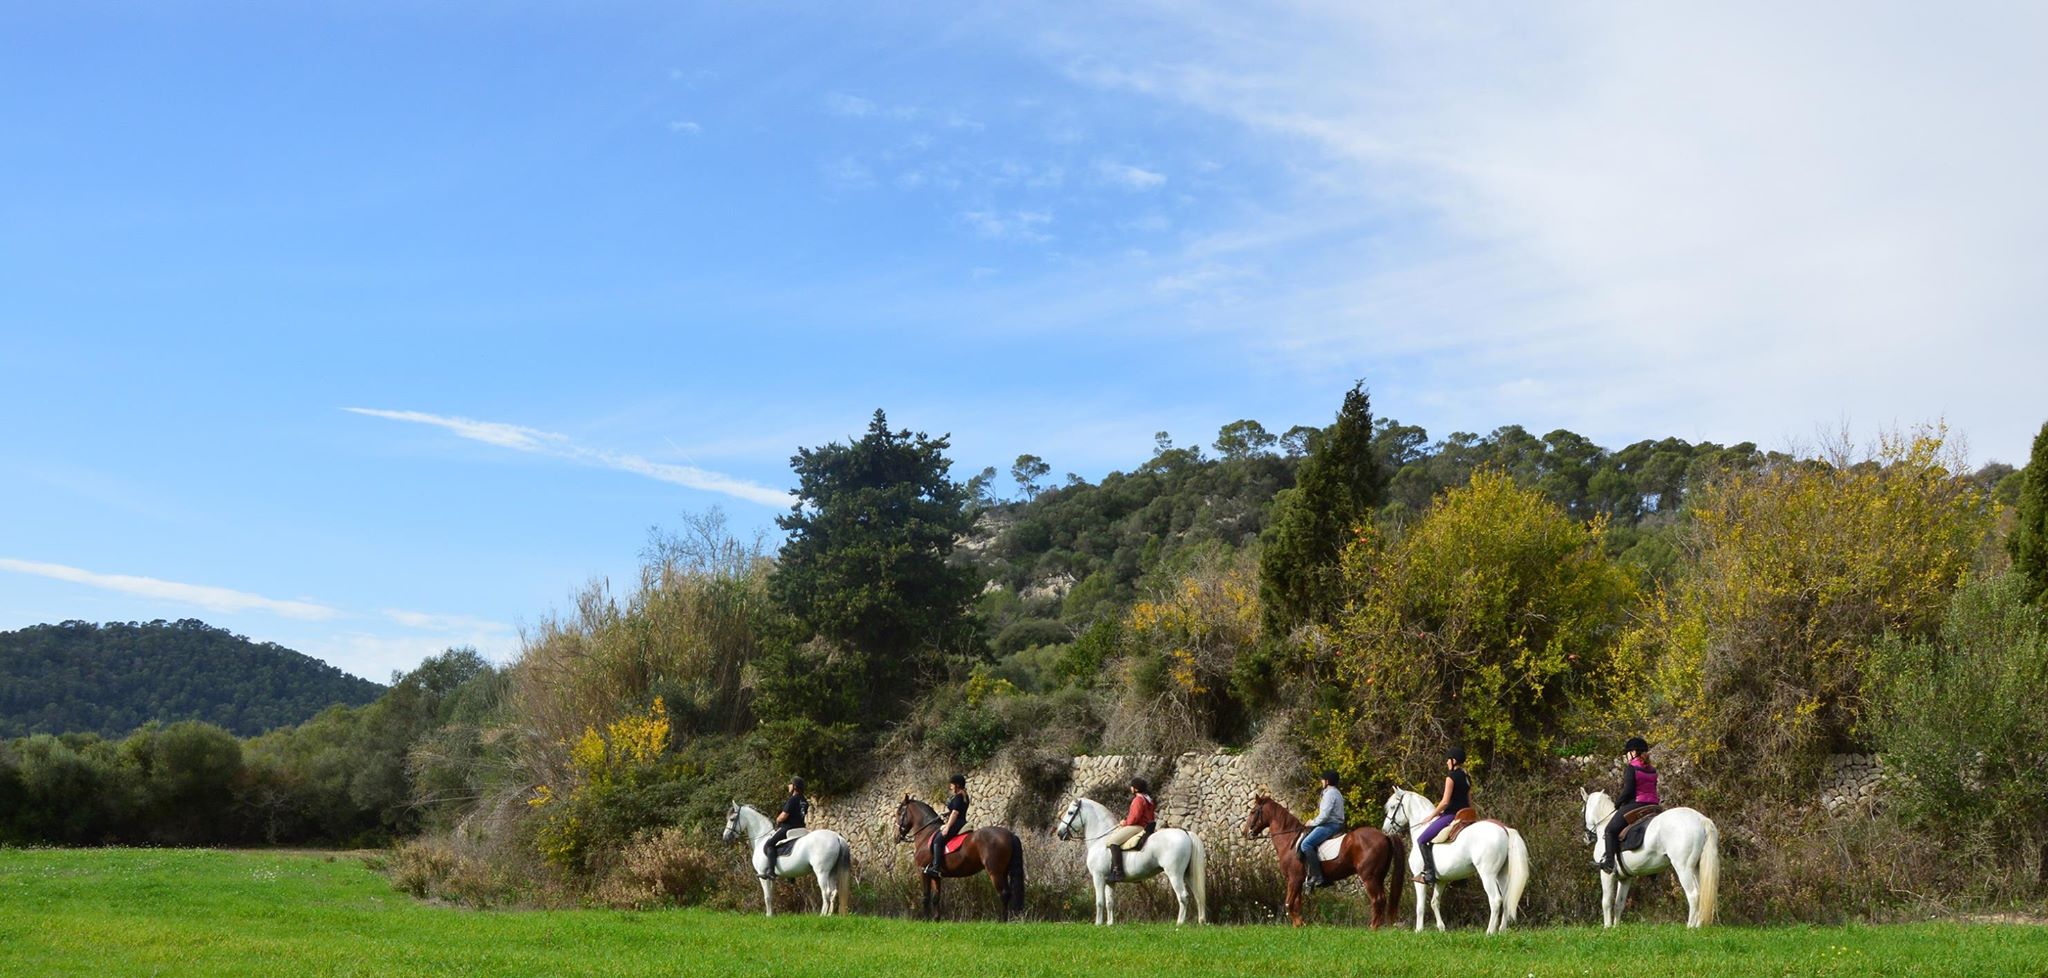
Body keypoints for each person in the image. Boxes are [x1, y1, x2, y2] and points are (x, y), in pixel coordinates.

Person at [1598, 737, 1660, 874]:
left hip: (1637, 803)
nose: (1626, 755)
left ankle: (1609, 863)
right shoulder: (1652, 769)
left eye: (1627, 752)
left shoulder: (1632, 767)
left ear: (1633, 752)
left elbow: (1628, 791)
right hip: (1654, 805)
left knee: (1609, 830)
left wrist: (1618, 802)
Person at [1414, 747, 1471, 885]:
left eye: (1448, 760)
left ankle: (1429, 874)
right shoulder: (1467, 777)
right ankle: (1461, 878)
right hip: (1465, 815)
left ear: (1454, 761)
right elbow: (1469, 800)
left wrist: (1431, 816)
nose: (1446, 762)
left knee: (1422, 839)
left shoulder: (1450, 778)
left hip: (1452, 816)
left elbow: (1445, 802)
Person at [1101, 777, 1156, 882]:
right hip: (1147, 826)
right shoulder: (1148, 799)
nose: (1130, 788)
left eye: (1132, 786)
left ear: (1135, 789)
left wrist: (1125, 823)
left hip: (1137, 827)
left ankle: (1118, 872)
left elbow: (1134, 818)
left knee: (1113, 842)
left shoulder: (1138, 800)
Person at [1298, 770, 1345, 890]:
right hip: (1335, 823)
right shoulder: (1337, 792)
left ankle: (1318, 876)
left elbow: (1325, 816)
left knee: (1306, 844)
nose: (1321, 781)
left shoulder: (1329, 794)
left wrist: (1312, 823)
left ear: (1327, 781)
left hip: (1330, 825)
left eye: (1322, 779)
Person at [760, 776, 808, 880]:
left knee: (770, 844)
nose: (789, 786)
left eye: (791, 784)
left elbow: (784, 816)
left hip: (789, 828)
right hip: (801, 829)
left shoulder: (792, 800)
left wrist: (778, 820)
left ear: (794, 787)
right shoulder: (804, 800)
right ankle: (790, 875)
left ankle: (771, 871)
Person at [927, 774, 969, 879]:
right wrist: (947, 814)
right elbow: (956, 811)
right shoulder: (964, 795)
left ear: (957, 785)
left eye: (952, 784)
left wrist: (947, 827)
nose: (950, 786)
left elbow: (955, 813)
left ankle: (936, 867)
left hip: (956, 823)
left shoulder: (959, 797)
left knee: (937, 840)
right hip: (961, 821)